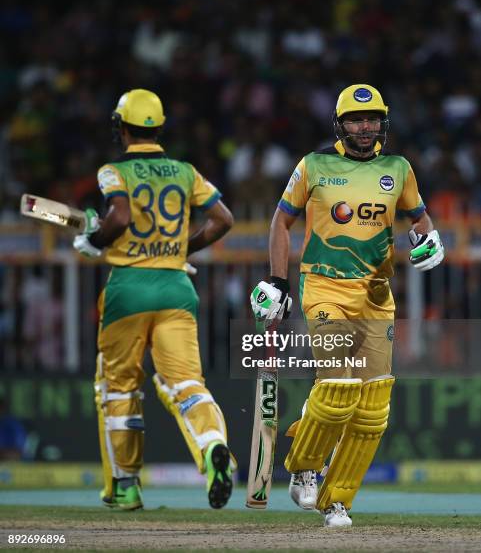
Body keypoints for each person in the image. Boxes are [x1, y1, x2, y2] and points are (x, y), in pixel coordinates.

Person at [250, 84, 444, 527]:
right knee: (339, 388)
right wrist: (277, 281)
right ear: (340, 124)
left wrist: (430, 242)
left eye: (372, 118)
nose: (364, 127)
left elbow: (420, 219)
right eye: (355, 120)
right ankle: (303, 465)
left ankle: (337, 500)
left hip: (377, 295)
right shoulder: (313, 165)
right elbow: (282, 220)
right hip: (324, 287)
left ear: (383, 122)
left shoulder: (398, 168)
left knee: (373, 406)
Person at [73, 89, 235, 510]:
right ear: (159, 127)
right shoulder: (185, 171)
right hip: (176, 288)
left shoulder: (113, 171)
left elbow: (120, 216)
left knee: (118, 388)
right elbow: (223, 220)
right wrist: (184, 250)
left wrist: (96, 239)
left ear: (121, 127)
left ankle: (125, 486)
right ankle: (213, 446)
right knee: (186, 385)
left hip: (128, 289)